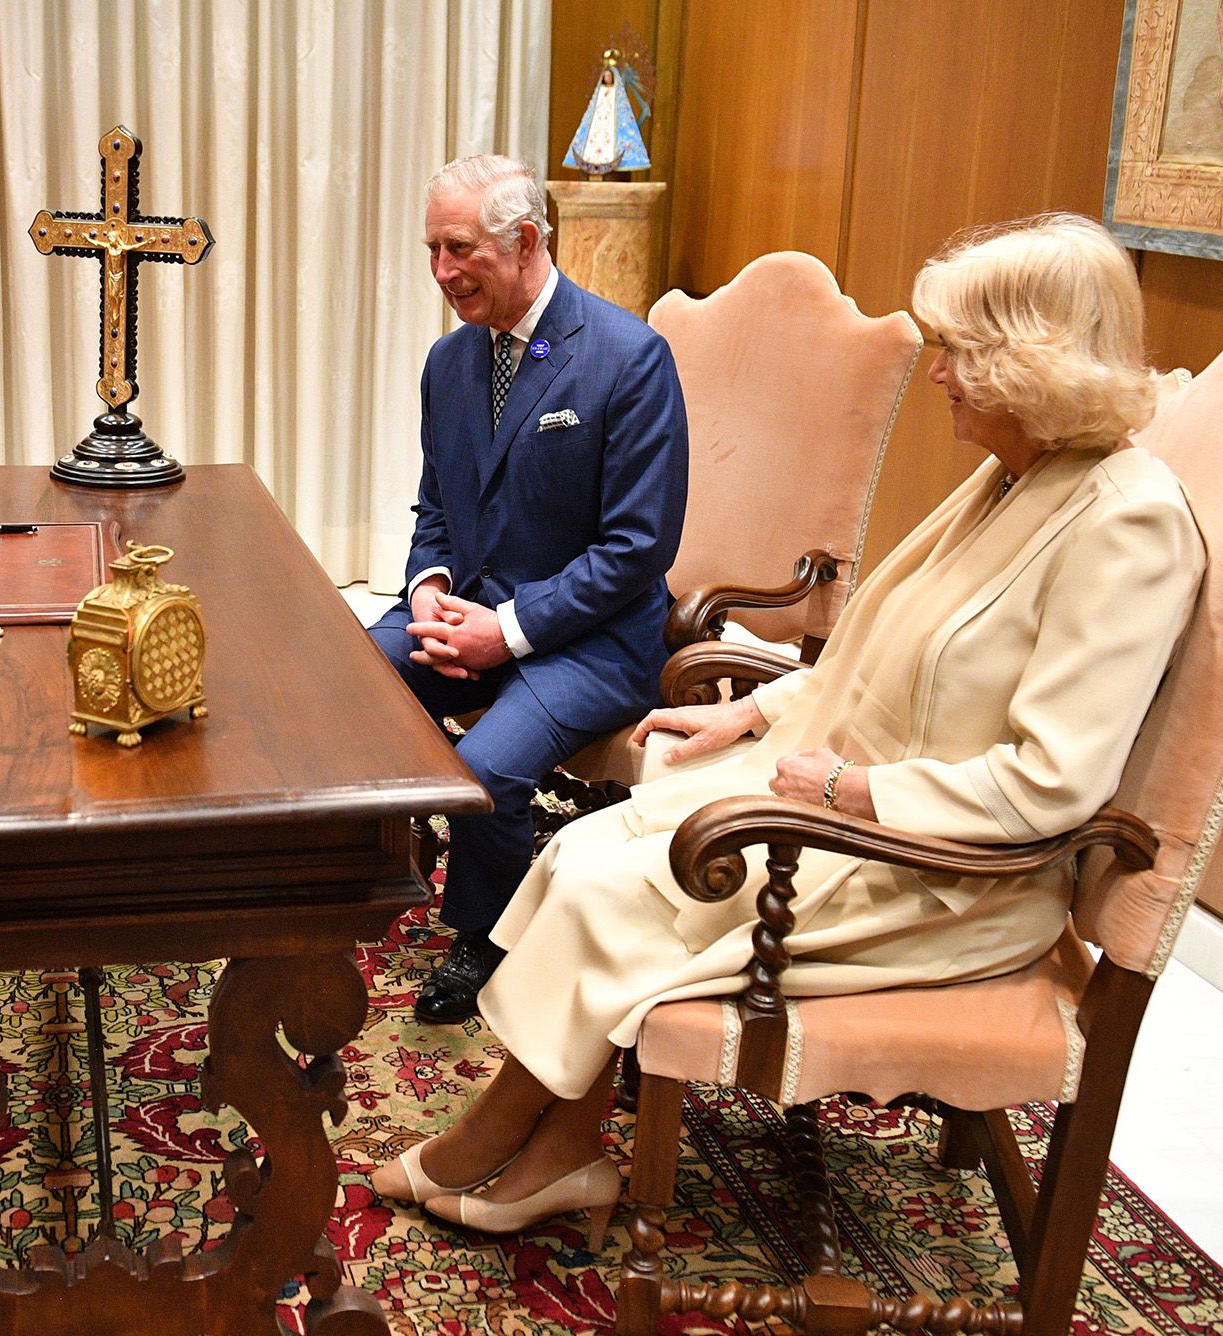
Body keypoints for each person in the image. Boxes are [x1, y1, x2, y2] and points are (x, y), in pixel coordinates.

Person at [367, 214, 1203, 1241]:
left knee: (614, 884)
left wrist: (850, 792)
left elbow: (1050, 784)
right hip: (861, 801)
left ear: (1028, 363)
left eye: (957, 352)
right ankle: (558, 1146)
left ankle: (503, 1136)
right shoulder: (1016, 477)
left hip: (947, 874)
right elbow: (888, 654)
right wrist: (760, 710)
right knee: (584, 848)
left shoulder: (1127, 523)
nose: (937, 375)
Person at [370, 153, 688, 1025]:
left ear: (526, 241)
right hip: (473, 612)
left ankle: (486, 935)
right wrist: (429, 585)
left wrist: (502, 632)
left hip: (591, 641)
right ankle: (369, 872)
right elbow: (437, 503)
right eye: (432, 249)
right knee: (353, 678)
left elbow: (636, 550)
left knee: (482, 768)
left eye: (460, 249)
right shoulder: (449, 363)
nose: (442, 272)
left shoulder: (627, 359)